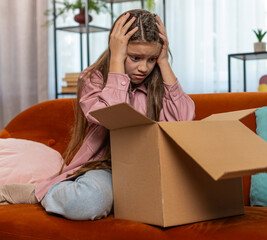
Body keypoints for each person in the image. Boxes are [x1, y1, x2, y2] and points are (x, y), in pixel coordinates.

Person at [0, 9, 195, 220]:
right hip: (106, 169)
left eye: (151, 59)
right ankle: (38, 192)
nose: (144, 68)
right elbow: (112, 115)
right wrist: (117, 62)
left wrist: (164, 62)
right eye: (135, 57)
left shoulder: (159, 83)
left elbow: (184, 123)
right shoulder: (93, 79)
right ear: (117, 50)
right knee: (87, 202)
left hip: (148, 171)